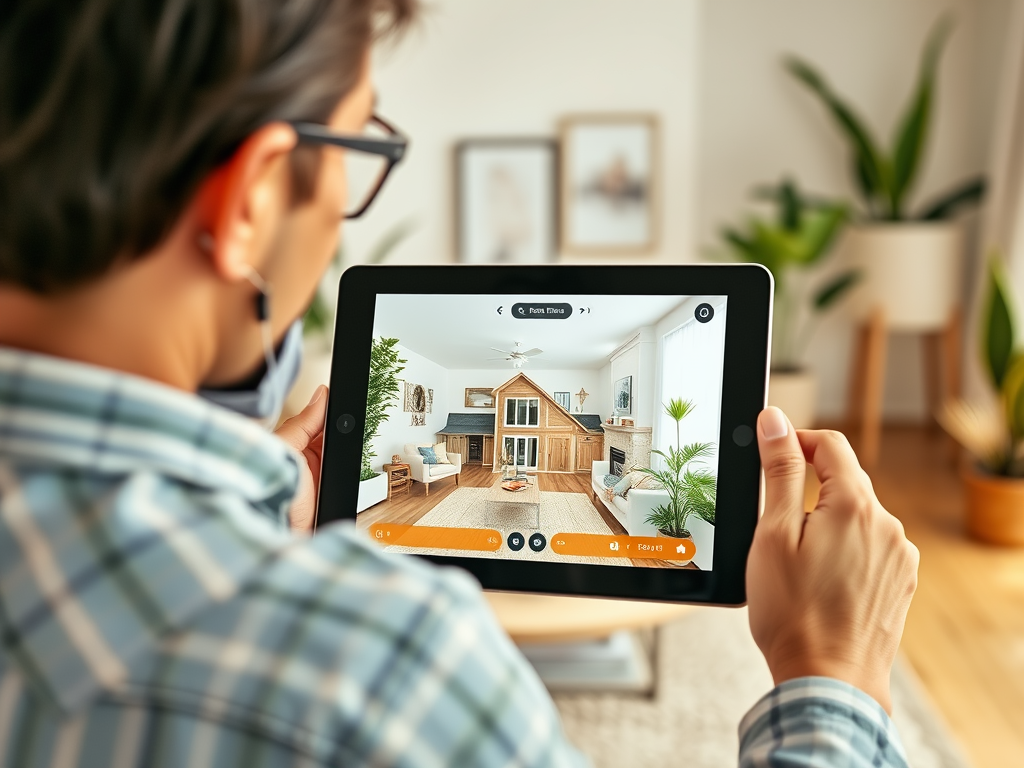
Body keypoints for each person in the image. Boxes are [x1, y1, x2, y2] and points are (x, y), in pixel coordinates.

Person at [0, 1, 919, 766]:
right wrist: (832, 675)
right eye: (360, 151)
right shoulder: (390, 669)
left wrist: (242, 541)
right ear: (252, 199)